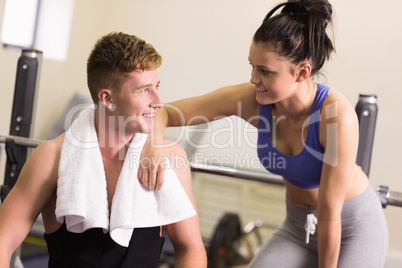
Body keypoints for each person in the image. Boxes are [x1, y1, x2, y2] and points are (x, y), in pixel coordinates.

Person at [139, 1, 389, 267]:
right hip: (297, 227)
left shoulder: (335, 116)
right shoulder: (252, 100)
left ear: (302, 72)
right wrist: (153, 144)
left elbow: (329, 214)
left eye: (265, 72)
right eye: (253, 66)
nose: (253, 79)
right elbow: (165, 113)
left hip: (351, 226)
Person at [0, 32, 207, 268]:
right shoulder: (51, 157)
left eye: (157, 86)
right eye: (144, 90)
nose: (159, 101)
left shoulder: (169, 157)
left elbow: (191, 248)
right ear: (107, 99)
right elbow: (3, 240)